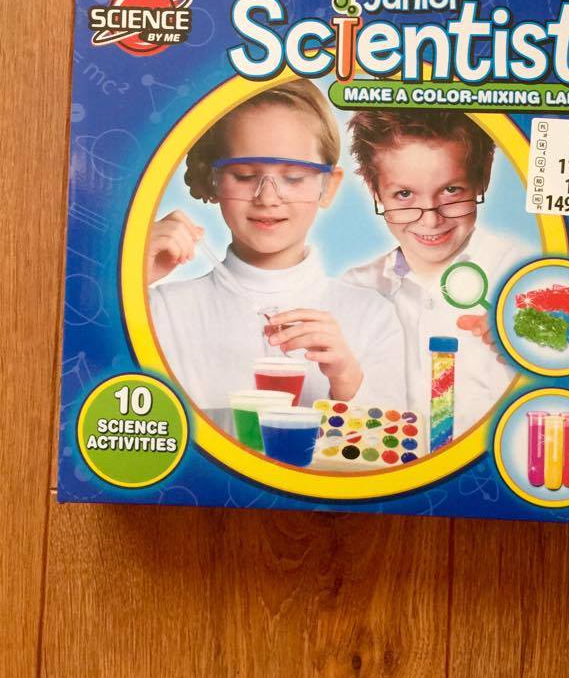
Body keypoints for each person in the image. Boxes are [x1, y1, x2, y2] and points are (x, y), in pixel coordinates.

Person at [148, 80, 406, 429]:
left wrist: (347, 380)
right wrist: (129, 278)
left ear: (328, 186)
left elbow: (390, 448)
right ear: (213, 180)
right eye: (244, 175)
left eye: (294, 177)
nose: (268, 198)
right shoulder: (162, 310)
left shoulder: (372, 316)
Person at [344, 109, 532, 437]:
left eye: (451, 190)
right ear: (375, 190)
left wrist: (533, 352)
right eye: (404, 194)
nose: (430, 220)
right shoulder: (354, 291)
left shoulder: (526, 276)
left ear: (483, 177)